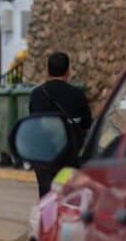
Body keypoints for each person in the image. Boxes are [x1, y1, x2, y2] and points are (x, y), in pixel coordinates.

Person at [29, 51, 93, 197]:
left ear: (47, 70)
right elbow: (86, 124)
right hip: (70, 157)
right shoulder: (77, 95)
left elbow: (34, 124)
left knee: (47, 199)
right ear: (68, 71)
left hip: (44, 158)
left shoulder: (37, 95)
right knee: (71, 199)